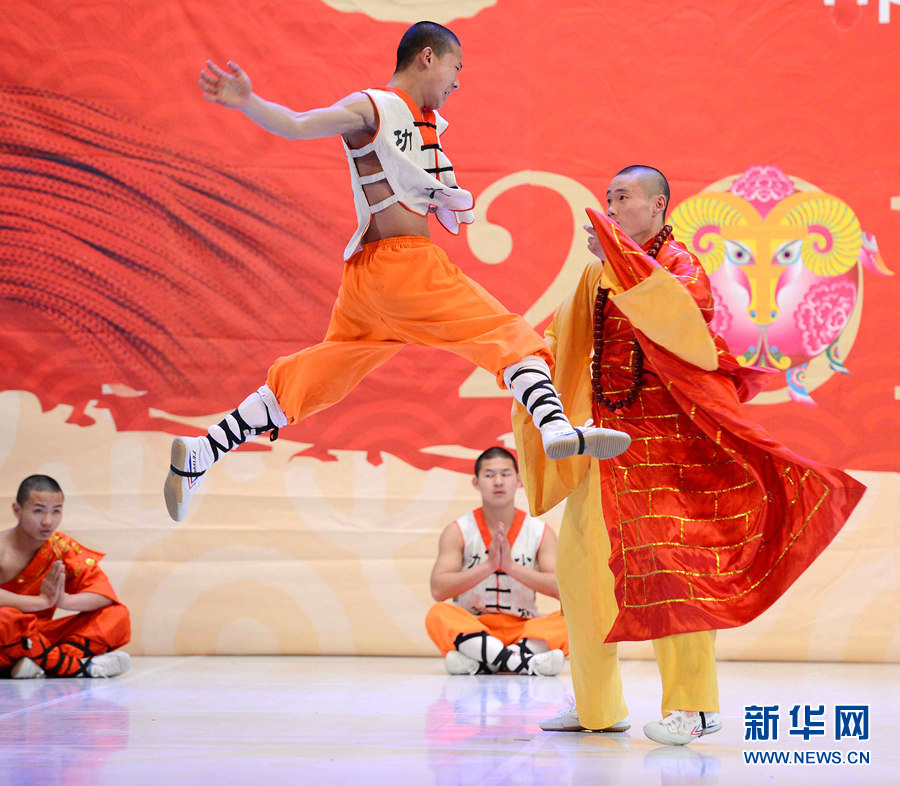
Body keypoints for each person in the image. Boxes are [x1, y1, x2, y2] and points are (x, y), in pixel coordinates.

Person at [164, 21, 630, 522]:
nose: (458, 83)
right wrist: (248, 102)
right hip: (403, 268)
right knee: (509, 335)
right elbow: (299, 123)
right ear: (427, 57)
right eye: (455, 68)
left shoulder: (423, 123)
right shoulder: (374, 107)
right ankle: (555, 427)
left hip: (367, 285)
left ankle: (201, 453)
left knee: (316, 378)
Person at [513, 166, 865, 745]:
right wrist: (522, 359)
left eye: (622, 197)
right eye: (607, 198)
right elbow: (562, 338)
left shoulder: (681, 267)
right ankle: (596, 705)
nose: (610, 207)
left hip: (669, 454)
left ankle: (695, 707)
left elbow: (680, 326)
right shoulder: (597, 274)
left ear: (657, 206)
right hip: (606, 446)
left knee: (675, 576)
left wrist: (621, 264)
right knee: (580, 571)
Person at [426, 447, 568, 676]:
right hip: (475, 625)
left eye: (505, 474)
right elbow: (438, 590)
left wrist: (511, 567)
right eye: (489, 475)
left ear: (519, 481)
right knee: (438, 614)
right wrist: (488, 566)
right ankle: (519, 661)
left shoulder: (540, 531)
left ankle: (483, 661)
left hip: (522, 627)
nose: (498, 482)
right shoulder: (458, 530)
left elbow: (562, 589)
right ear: (476, 482)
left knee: (572, 620)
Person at [1, 475, 132, 679]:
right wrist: (40, 602)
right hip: (8, 634)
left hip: (38, 636)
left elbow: (103, 594)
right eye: (38, 511)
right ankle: (77, 667)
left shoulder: (61, 548)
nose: (48, 521)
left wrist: (63, 600)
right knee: (6, 619)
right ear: (17, 510)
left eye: (56, 511)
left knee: (116, 615)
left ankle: (42, 661)